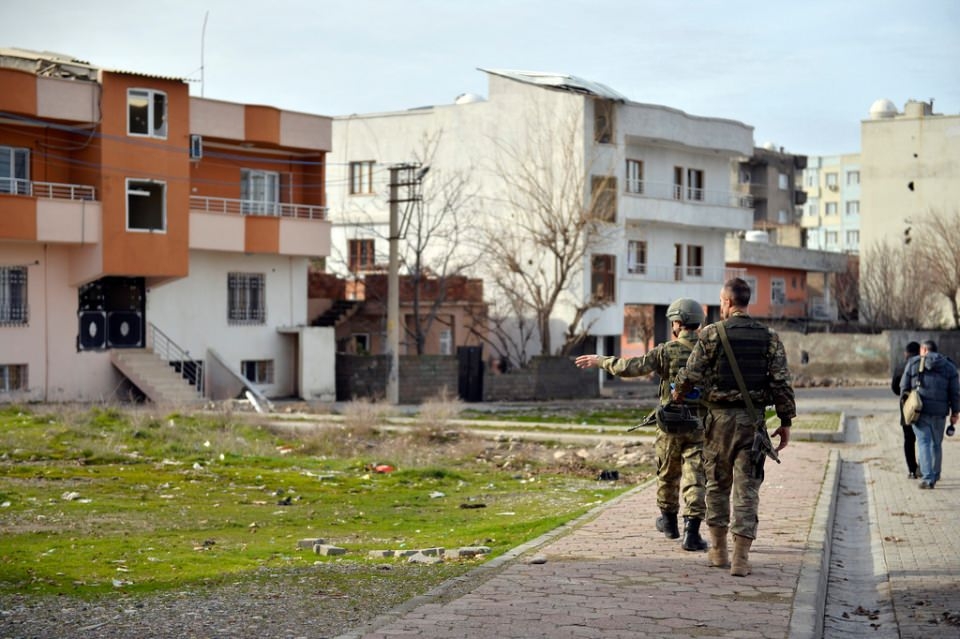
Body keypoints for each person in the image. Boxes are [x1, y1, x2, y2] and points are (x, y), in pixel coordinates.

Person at [671, 278, 795, 577]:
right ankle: (741, 558)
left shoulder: (712, 334)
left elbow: (691, 374)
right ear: (746, 301)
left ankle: (718, 551)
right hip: (752, 425)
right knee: (747, 490)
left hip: (718, 424)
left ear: (726, 302)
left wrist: (678, 393)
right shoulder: (769, 336)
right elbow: (781, 383)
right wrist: (786, 420)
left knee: (716, 485)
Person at [575, 298, 709, 552]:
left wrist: (600, 360)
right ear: (698, 323)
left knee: (667, 473)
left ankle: (669, 524)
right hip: (700, 425)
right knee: (696, 476)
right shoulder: (709, 352)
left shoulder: (666, 351)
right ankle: (692, 533)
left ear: (677, 323)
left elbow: (630, 367)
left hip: (670, 425)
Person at [898, 339, 960, 489]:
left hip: (920, 411)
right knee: (936, 444)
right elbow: (955, 393)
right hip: (940, 413)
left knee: (923, 442)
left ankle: (927, 478)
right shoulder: (950, 367)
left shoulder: (913, 363)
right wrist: (955, 412)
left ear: (923, 350)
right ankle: (936, 473)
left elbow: (903, 386)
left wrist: (906, 404)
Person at [891, 341, 921, 478]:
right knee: (923, 438)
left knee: (909, 438)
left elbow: (895, 387)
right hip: (921, 405)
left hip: (906, 405)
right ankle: (925, 467)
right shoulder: (923, 364)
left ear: (906, 353)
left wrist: (904, 395)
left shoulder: (900, 367)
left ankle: (912, 470)